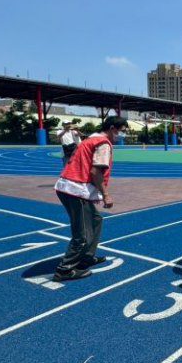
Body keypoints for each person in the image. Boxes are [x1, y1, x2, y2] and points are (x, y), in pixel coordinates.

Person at [53, 116, 128, 281]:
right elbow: (95, 172)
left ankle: (86, 256)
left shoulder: (91, 138)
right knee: (83, 233)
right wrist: (106, 195)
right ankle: (65, 269)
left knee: (95, 220)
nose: (123, 134)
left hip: (69, 186)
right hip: (75, 190)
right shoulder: (103, 143)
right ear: (113, 128)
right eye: (122, 131)